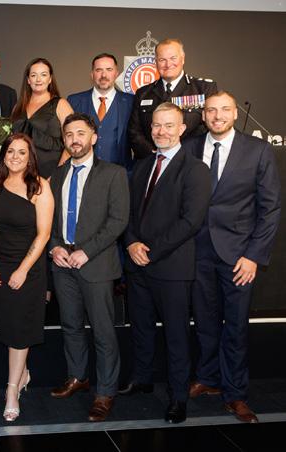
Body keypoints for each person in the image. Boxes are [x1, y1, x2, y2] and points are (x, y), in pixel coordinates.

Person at [185, 91, 281, 423]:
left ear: (235, 113)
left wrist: (253, 256)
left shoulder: (257, 150)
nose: (218, 116)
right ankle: (208, 377)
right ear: (203, 115)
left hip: (239, 256)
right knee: (204, 322)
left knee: (236, 327)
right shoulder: (189, 147)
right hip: (197, 252)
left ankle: (235, 393)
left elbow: (270, 209)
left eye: (225, 109)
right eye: (211, 110)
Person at [121, 102, 211, 424]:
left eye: (169, 125)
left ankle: (178, 397)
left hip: (171, 267)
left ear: (182, 129)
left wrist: (151, 251)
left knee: (176, 336)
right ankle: (142, 379)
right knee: (141, 328)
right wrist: (131, 242)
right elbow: (129, 213)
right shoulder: (142, 165)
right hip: (137, 264)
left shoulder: (196, 169)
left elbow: (191, 221)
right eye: (156, 125)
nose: (161, 131)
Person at [48, 113, 129, 422]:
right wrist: (55, 246)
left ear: (94, 137)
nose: (75, 140)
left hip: (96, 264)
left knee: (103, 331)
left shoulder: (113, 173)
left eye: (80, 133)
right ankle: (78, 376)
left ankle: (105, 392)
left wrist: (87, 251)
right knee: (70, 324)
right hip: (62, 264)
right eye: (69, 135)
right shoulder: (57, 176)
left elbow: (118, 221)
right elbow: (49, 219)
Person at [0, 133, 54, 422]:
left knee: (19, 332)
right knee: (9, 326)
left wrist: (23, 269)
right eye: (10, 151)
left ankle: (11, 391)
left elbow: (43, 235)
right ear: (4, 155)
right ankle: (22, 374)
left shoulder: (39, 187)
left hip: (28, 269)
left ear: (30, 157)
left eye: (22, 152)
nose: (15, 157)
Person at [128, 38, 218, 160]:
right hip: (152, 161)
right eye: (162, 60)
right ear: (156, 62)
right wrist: (154, 154)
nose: (168, 64)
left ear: (183, 59)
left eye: (173, 58)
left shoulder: (203, 89)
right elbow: (134, 131)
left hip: (190, 160)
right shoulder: (143, 93)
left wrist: (176, 154)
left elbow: (209, 127)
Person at [67, 53, 134, 169]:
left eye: (109, 69)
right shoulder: (74, 101)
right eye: (99, 70)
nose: (104, 75)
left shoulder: (130, 102)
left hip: (120, 173)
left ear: (116, 73)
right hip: (83, 173)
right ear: (92, 74)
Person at [11, 58, 74, 178]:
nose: (38, 79)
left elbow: (71, 142)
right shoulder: (18, 107)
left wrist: (56, 175)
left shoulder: (61, 104)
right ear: (28, 80)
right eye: (33, 75)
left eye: (43, 75)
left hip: (51, 174)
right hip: (21, 175)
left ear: (50, 79)